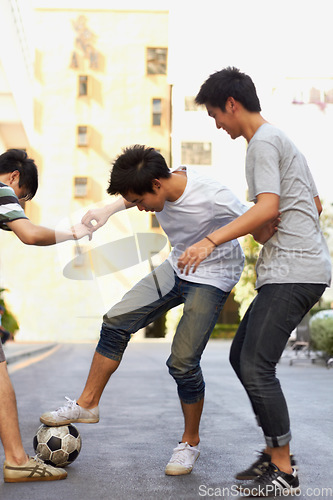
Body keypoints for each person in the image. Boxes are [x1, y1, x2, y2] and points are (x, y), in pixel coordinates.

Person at [40, 144, 250, 476]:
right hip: (177, 267)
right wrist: (109, 208)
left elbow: (256, 216)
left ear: (156, 186)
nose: (140, 209)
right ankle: (88, 404)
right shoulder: (154, 183)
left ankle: (190, 443)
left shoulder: (213, 195)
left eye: (140, 202)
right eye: (133, 202)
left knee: (182, 363)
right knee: (115, 321)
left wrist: (211, 242)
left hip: (213, 277)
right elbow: (132, 195)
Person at [177, 67, 331, 496]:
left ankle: (284, 470)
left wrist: (210, 240)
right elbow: (313, 203)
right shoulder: (280, 140)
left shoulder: (262, 143)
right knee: (242, 356)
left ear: (231, 104)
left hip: (294, 271)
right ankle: (274, 452)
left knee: (254, 364)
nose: (218, 125)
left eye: (215, 116)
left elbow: (266, 210)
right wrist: (270, 226)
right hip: (296, 267)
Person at [0, 148, 92, 482]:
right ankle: (16, 460)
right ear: (14, 177)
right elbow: (30, 234)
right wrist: (73, 234)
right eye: (22, 197)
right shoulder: (2, 191)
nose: (19, 205)